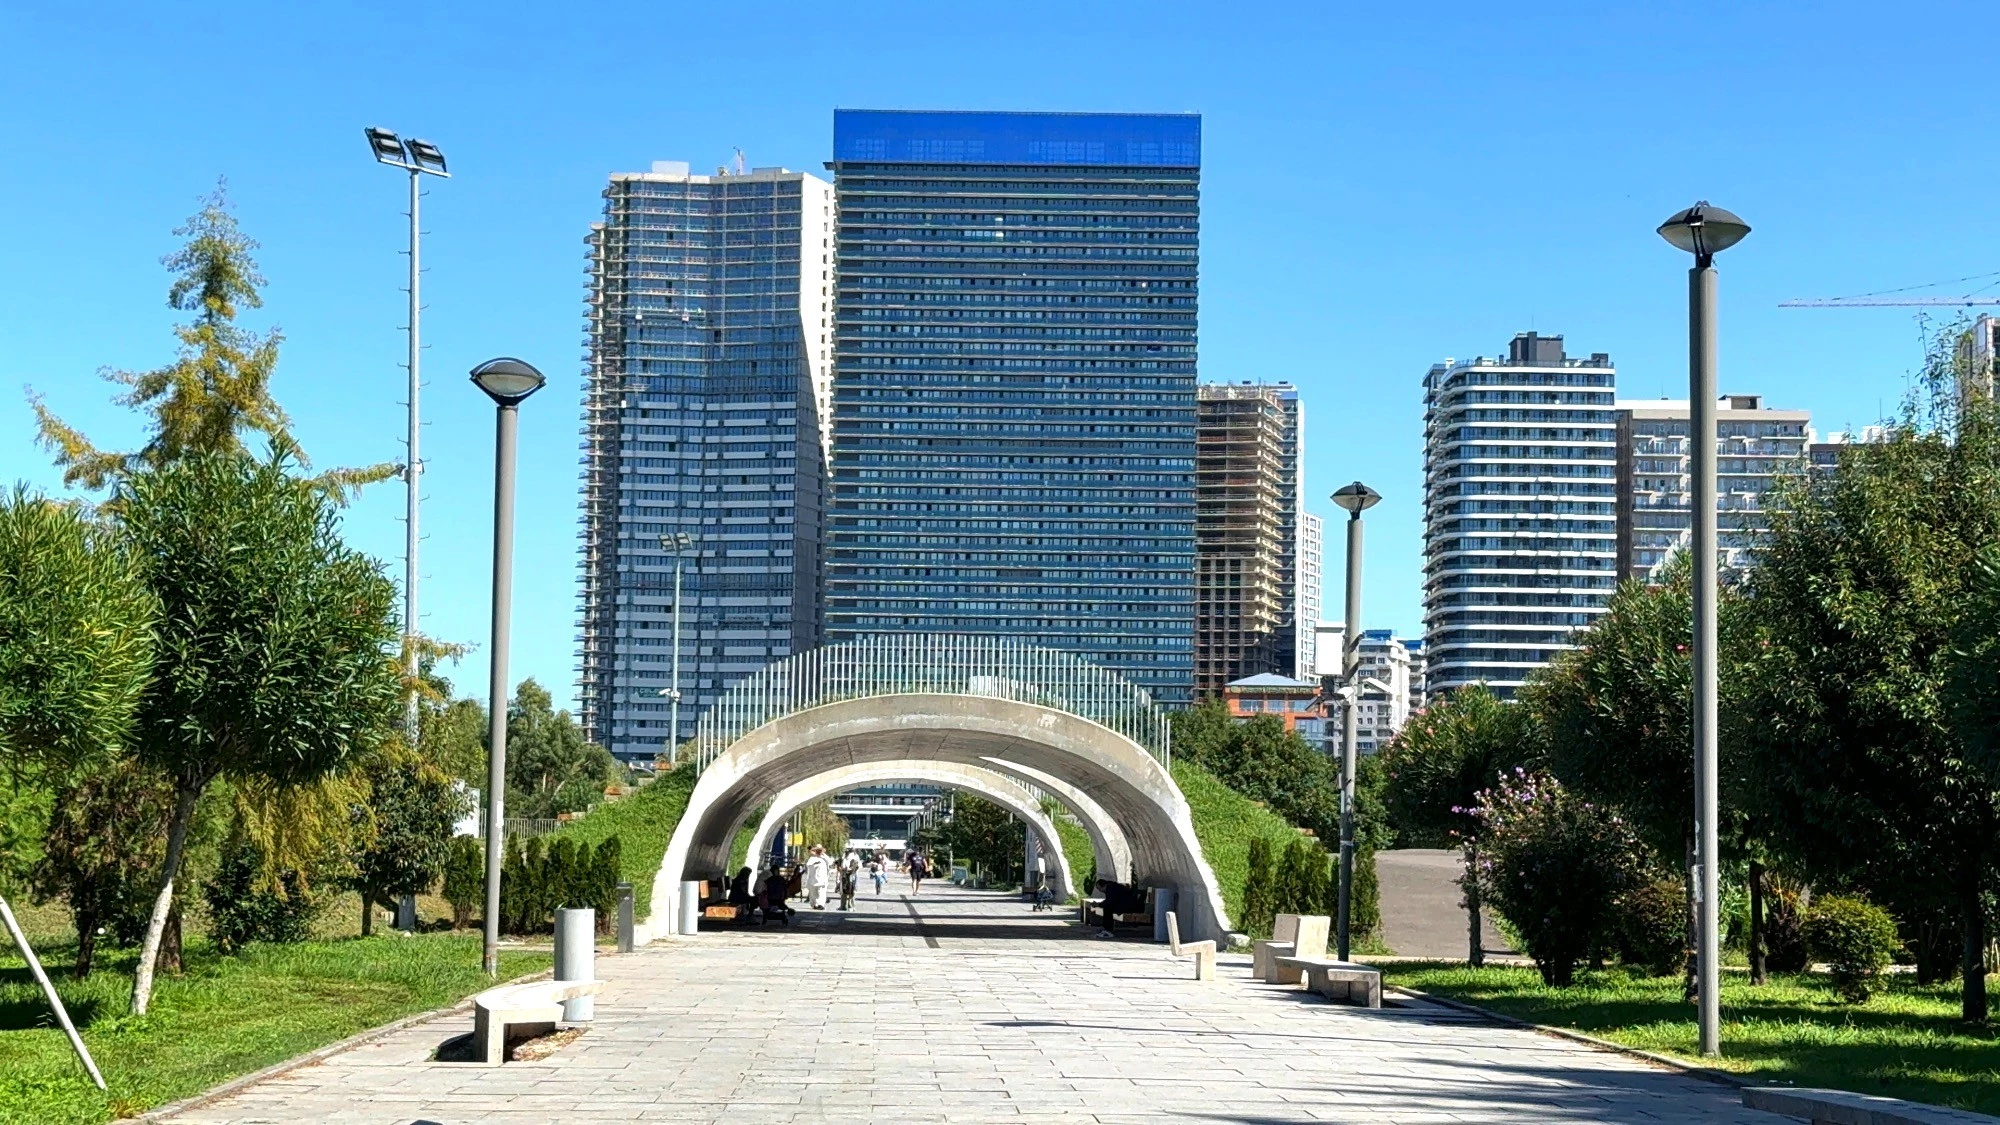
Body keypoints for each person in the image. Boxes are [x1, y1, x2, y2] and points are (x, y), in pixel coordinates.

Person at [802, 844, 833, 910]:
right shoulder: (812, 858)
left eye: (820, 850)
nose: (818, 852)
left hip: (822, 879)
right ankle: (814, 904)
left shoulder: (825, 857)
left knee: (821, 892)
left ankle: (821, 904)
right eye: (817, 850)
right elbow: (808, 866)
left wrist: (823, 856)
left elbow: (831, 862)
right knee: (813, 893)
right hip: (813, 879)